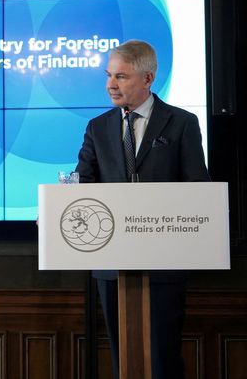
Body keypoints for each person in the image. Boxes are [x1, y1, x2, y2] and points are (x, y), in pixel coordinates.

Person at [75, 40, 209, 378]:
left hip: (164, 261)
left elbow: (198, 188)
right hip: (111, 262)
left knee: (162, 355)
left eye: (121, 76)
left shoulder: (181, 123)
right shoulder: (98, 127)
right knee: (124, 356)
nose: (110, 84)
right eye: (109, 75)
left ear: (148, 79)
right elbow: (83, 183)